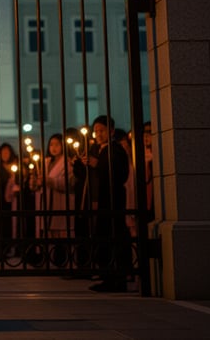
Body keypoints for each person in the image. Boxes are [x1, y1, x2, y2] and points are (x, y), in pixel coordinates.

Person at [79, 115, 131, 292]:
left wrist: (97, 163)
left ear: (111, 131)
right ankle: (106, 275)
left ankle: (118, 278)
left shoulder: (115, 150)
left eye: (101, 130)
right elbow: (84, 175)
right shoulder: (95, 149)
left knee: (113, 235)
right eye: (95, 131)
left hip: (112, 199)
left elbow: (119, 174)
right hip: (97, 199)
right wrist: (80, 163)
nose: (98, 134)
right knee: (101, 236)